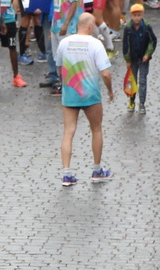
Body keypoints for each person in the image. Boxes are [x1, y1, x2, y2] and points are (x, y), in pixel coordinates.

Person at [57, 13, 114, 186]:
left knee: (68, 132)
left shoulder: (64, 43)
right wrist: (110, 91)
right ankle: (97, 170)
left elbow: (60, 67)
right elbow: (105, 73)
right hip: (90, 94)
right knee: (96, 129)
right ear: (90, 27)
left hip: (71, 92)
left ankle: (67, 173)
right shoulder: (96, 44)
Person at [120, 3, 154, 113]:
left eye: (139, 15)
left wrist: (148, 54)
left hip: (144, 59)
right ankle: (131, 100)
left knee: (143, 80)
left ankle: (142, 103)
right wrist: (127, 59)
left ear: (142, 15)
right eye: (135, 15)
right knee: (132, 80)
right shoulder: (128, 28)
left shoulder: (147, 27)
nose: (137, 18)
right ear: (131, 16)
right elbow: (126, 45)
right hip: (133, 59)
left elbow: (152, 41)